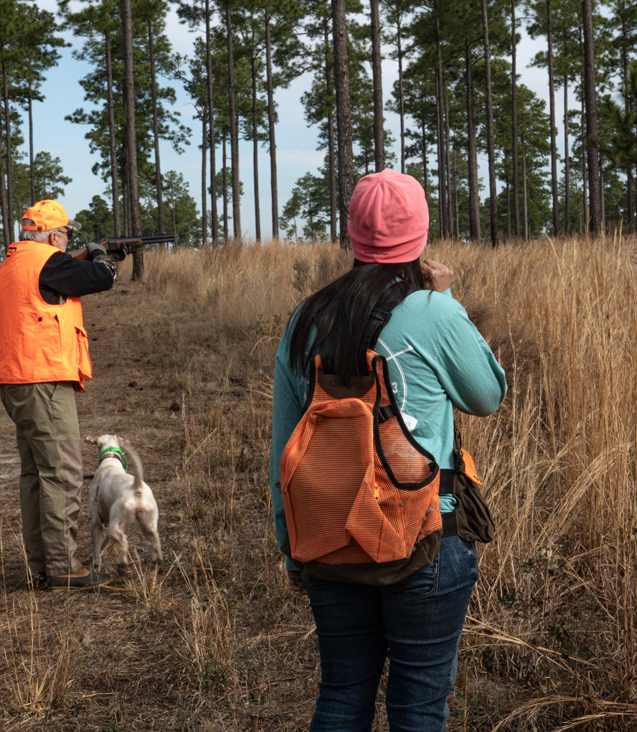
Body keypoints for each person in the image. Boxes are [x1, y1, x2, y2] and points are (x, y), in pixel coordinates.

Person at [269, 169, 508, 731]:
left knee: (342, 693)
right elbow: (488, 395)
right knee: (420, 707)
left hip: (328, 541)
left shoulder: (307, 319)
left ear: (352, 236)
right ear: (421, 237)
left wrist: (292, 547)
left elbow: (284, 448)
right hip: (424, 537)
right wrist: (445, 302)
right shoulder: (431, 310)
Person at [0, 199, 120, 590]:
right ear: (51, 235)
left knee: (36, 475)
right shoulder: (47, 260)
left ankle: (42, 563)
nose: (66, 241)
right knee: (62, 475)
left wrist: (106, 254)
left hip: (19, 380)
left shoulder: (17, 261)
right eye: (64, 234)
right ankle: (63, 565)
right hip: (42, 381)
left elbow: (80, 276)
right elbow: (101, 278)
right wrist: (101, 253)